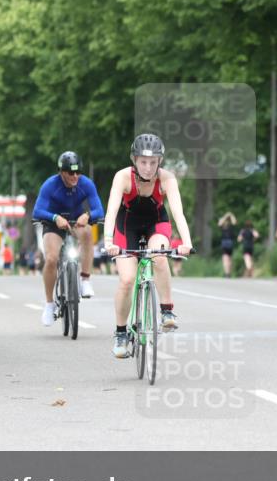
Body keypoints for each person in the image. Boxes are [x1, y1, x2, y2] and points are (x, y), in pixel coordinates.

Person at [104, 134, 193, 358]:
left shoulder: (167, 179)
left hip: (157, 224)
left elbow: (178, 213)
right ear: (134, 160)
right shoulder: (123, 177)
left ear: (160, 161)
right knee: (126, 280)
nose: (148, 167)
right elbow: (112, 211)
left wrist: (187, 242)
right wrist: (108, 242)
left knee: (159, 256)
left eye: (153, 162)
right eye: (143, 162)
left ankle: (166, 311)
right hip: (127, 226)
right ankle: (121, 332)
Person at [32, 151, 105, 326]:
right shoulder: (50, 185)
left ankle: (85, 279)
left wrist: (87, 215)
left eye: (78, 172)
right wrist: (55, 218)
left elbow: (100, 211)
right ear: (61, 172)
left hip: (75, 221)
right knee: (51, 259)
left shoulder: (86, 183)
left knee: (87, 233)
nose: (75, 176)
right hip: (54, 222)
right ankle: (49, 304)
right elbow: (37, 211)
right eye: (70, 173)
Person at [217, 212, 237, 278]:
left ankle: (227, 273)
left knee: (226, 259)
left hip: (225, 242)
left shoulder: (225, 225)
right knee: (229, 259)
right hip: (230, 242)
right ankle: (228, 273)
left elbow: (220, 223)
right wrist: (229, 215)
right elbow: (234, 222)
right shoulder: (229, 224)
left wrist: (228, 215)